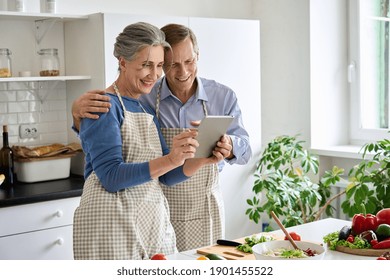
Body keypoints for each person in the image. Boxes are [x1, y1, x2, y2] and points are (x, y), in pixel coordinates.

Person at [72, 23, 251, 252]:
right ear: (123, 62)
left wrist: (201, 159)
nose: (155, 75)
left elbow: (165, 176)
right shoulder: (107, 104)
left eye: (158, 66)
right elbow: (110, 176)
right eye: (148, 65)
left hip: (152, 220)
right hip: (111, 225)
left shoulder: (144, 107)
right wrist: (76, 113)